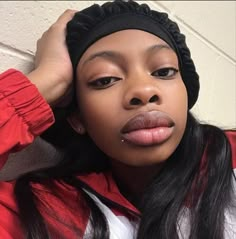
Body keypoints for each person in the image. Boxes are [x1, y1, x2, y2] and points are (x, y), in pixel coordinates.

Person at [0, 1, 235, 239]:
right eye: (105, 79)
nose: (144, 90)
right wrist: (49, 78)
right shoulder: (41, 213)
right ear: (77, 118)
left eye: (164, 71)